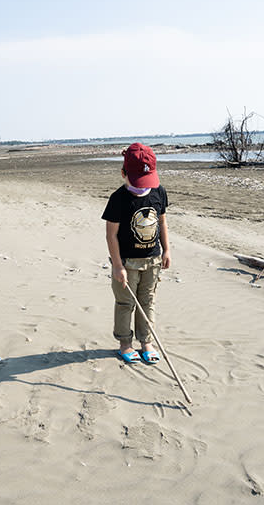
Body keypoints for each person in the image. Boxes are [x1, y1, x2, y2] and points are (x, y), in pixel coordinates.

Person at [102, 143, 171, 365]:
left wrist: (167, 249)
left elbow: (162, 221)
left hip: (153, 260)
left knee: (147, 301)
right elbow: (111, 235)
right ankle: (125, 343)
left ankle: (146, 342)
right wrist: (117, 266)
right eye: (136, 180)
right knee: (125, 304)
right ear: (123, 173)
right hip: (126, 262)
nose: (143, 186)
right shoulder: (118, 199)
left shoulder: (159, 192)